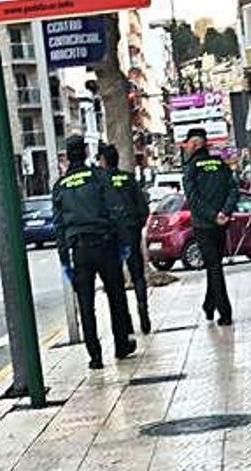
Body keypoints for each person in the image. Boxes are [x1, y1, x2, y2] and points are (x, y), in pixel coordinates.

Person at [53, 135, 136, 370]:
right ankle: (121, 346)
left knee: (86, 303)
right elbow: (115, 210)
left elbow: (59, 227)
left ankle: (95, 356)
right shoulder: (98, 177)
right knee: (116, 297)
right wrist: (123, 242)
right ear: (86, 152)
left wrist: (64, 261)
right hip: (105, 244)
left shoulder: (60, 186)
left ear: (68, 156)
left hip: (79, 251)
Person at [182, 128, 238, 326]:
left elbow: (193, 199)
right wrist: (225, 212)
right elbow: (233, 189)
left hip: (204, 225)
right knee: (213, 266)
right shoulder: (220, 163)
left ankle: (225, 312)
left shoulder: (191, 168)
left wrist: (214, 216)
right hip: (220, 224)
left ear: (195, 144)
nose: (186, 147)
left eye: (187, 143)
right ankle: (209, 304)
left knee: (214, 267)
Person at [96, 143, 152, 334]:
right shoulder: (129, 179)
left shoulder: (101, 182)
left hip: (112, 234)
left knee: (116, 279)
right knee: (137, 273)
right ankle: (143, 305)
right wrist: (136, 225)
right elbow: (144, 208)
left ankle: (125, 321)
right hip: (131, 230)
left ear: (103, 161)